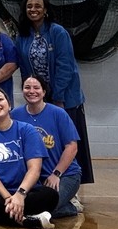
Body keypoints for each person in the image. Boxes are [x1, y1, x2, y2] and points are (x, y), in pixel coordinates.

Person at [16, 0, 93, 184]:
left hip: (64, 97)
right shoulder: (23, 35)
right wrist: (31, 94)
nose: (33, 9)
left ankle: (71, 184)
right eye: (29, 6)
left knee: (68, 142)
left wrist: (57, 97)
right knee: (45, 142)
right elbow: (25, 69)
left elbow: (65, 65)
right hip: (38, 97)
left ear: (46, 10)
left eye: (37, 6)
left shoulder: (58, 32)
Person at [0, 87, 59, 229]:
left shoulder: (27, 130)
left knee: (51, 195)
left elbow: (35, 169)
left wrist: (20, 195)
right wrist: (8, 198)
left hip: (26, 192)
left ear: (9, 105)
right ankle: (24, 220)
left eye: (0, 99)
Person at [12, 76, 82, 217]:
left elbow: (72, 147)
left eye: (36, 88)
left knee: (46, 209)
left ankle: (71, 206)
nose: (32, 91)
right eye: (27, 87)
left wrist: (56, 174)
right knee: (27, 205)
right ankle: (64, 202)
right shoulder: (15, 115)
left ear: (44, 92)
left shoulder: (58, 114)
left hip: (64, 175)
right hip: (35, 178)